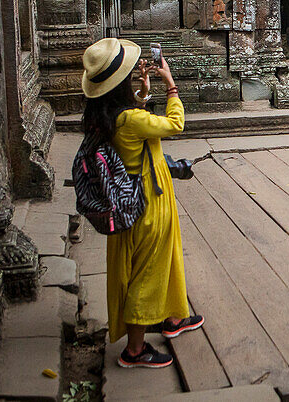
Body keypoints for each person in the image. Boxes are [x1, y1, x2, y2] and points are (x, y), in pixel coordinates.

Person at [81, 38, 203, 369]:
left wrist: (143, 93)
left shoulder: (104, 116)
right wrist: (171, 86)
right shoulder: (130, 120)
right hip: (147, 199)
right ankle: (135, 350)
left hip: (126, 198)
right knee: (148, 270)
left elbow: (133, 124)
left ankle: (171, 316)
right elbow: (174, 125)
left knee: (159, 259)